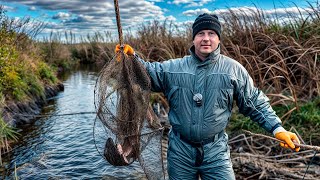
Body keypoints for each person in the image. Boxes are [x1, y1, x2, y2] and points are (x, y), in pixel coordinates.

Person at [114, 13, 300, 179]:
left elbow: (254, 103)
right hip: (180, 152)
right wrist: (131, 59)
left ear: (218, 39)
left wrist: (278, 129)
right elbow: (147, 73)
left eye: (211, 34)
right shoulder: (173, 68)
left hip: (216, 151)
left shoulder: (233, 70)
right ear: (193, 38)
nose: (206, 38)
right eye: (200, 33)